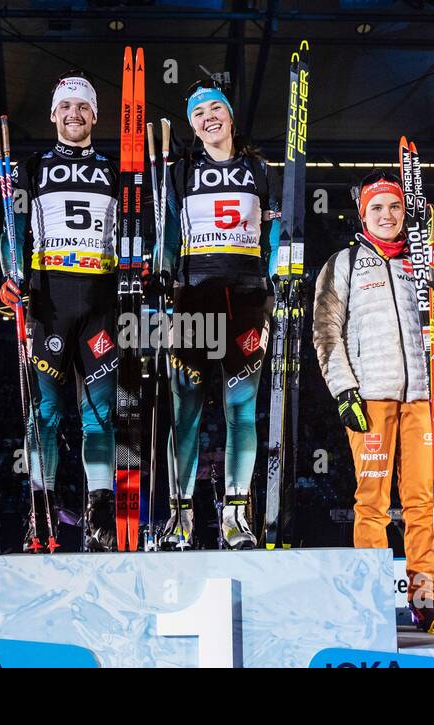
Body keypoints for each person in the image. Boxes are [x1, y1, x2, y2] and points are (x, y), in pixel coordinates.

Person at [311, 173, 434, 636]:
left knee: (421, 502)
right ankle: (370, 600)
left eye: (394, 208)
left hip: (420, 396)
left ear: (404, 213)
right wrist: (343, 391)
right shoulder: (344, 264)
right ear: (364, 214)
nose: (387, 215)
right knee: (372, 502)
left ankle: (424, 600)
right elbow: (326, 332)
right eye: (377, 209)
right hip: (370, 398)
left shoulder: (422, 265)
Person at [155, 82, 280, 549]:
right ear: (192, 125)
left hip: (247, 297)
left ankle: (234, 515)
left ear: (230, 116)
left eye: (216, 109)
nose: (209, 118)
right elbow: (166, 232)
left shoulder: (260, 170)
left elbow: (278, 233)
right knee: (185, 407)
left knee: (241, 409)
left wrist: (277, 279)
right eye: (199, 113)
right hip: (193, 296)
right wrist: (161, 275)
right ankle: (181, 518)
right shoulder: (180, 172)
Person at [0, 71, 119, 552]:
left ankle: (101, 512)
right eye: (65, 106)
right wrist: (10, 275)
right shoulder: (30, 168)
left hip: (101, 304)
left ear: (95, 115)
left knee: (101, 415)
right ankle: (41, 512)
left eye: (83, 107)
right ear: (53, 115)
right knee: (43, 413)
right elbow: (13, 230)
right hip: (48, 301)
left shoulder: (115, 170)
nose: (74, 114)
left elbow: (138, 232)